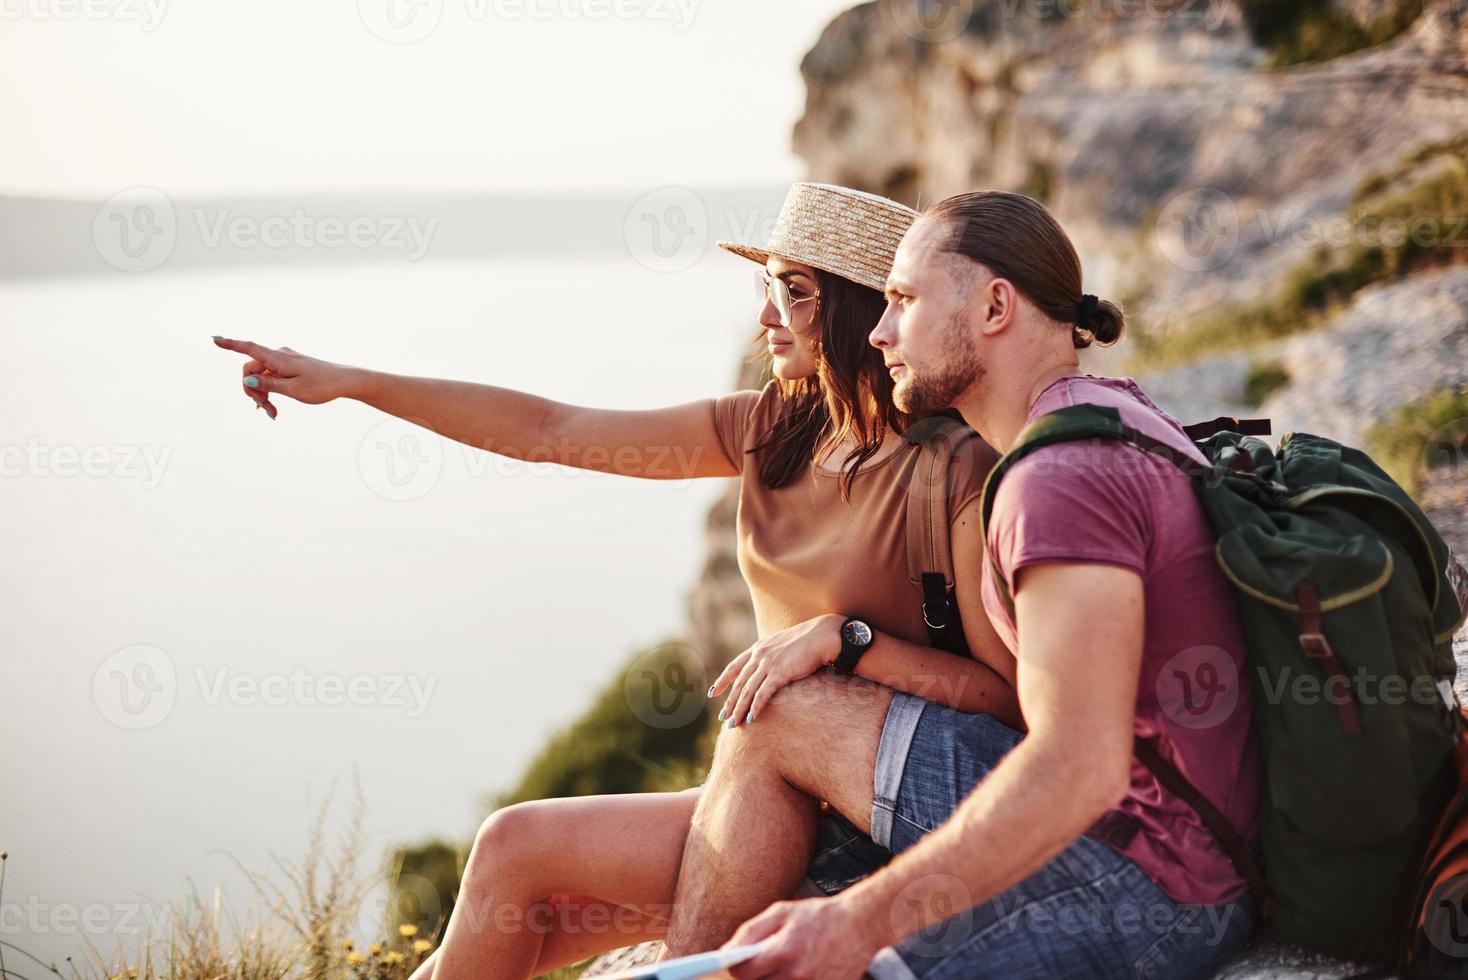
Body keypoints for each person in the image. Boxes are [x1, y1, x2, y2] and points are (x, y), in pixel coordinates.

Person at [211, 183, 1020, 979]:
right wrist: (354, 382)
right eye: (767, 287)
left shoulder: (951, 472)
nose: (768, 315)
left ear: (858, 309)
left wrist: (846, 645)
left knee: (549, 893)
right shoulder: (766, 430)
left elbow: (1003, 701)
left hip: (879, 809)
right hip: (769, 795)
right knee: (512, 854)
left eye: (795, 293)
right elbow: (551, 432)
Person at [658, 190, 1260, 979]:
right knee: (787, 711)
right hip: (1157, 831)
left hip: (1155, 877)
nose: (879, 331)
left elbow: (1078, 766)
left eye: (903, 301)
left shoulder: (1059, 481)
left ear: (995, 307)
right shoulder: (1104, 411)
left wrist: (857, 921)